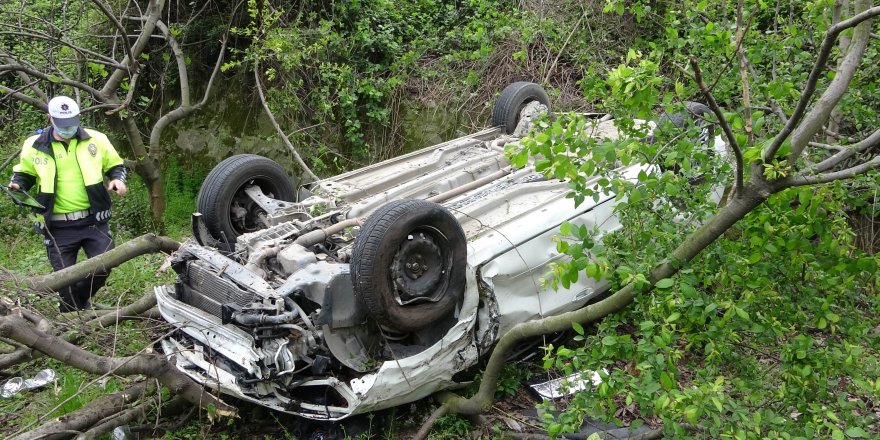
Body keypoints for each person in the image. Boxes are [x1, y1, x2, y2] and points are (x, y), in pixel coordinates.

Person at [8, 96, 127, 312]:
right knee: (65, 280)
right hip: (57, 226)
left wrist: (118, 179)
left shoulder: (96, 139)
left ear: (79, 117)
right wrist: (17, 184)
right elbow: (24, 173)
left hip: (93, 221)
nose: (68, 129)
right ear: (50, 119)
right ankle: (71, 320)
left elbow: (116, 165)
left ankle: (75, 306)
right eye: (62, 125)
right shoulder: (34, 144)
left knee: (104, 265)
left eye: (72, 123)